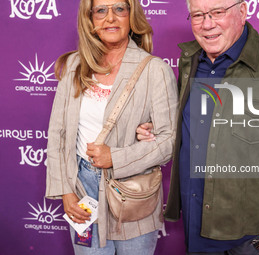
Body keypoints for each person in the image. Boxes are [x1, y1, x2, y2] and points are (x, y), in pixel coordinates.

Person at [137, 0, 259, 254]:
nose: (207, 24)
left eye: (218, 12)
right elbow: (191, 123)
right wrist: (158, 128)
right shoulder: (190, 60)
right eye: (198, 15)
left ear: (242, 12)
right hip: (196, 219)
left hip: (251, 231)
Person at [45, 0, 178, 254]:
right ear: (91, 20)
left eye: (119, 9)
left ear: (131, 16)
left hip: (133, 193)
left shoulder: (155, 70)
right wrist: (65, 191)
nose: (110, 18)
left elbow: (169, 140)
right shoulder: (75, 66)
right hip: (82, 190)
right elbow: (58, 135)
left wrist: (114, 157)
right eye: (101, 11)